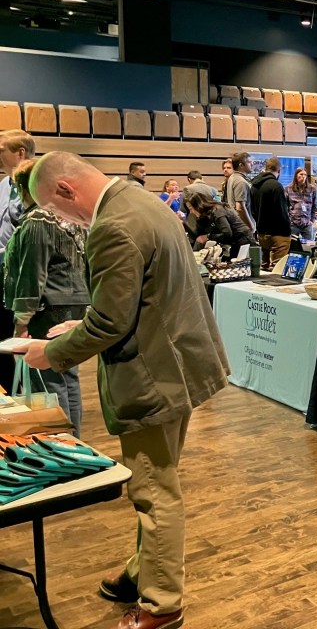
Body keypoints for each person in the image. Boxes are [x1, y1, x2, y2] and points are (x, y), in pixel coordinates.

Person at [21, 151, 229, 629]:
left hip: (156, 376)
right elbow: (140, 297)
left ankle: (162, 604)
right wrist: (84, 322)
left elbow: (112, 320)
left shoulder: (112, 226)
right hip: (180, 364)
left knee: (154, 491)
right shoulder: (140, 199)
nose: (61, 218)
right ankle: (143, 571)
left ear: (67, 189)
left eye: (55, 208)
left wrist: (49, 354)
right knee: (158, 480)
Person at [4, 159, 89, 437]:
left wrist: (21, 320)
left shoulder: (38, 219)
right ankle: (74, 441)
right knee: (67, 376)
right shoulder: (69, 218)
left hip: (49, 307)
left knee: (48, 379)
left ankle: (63, 444)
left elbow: (32, 273)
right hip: (72, 304)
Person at [0, 129, 36, 394]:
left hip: (25, 275)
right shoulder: (3, 185)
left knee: (29, 348)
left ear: (20, 153)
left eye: (2, 150)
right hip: (1, 276)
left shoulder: (37, 183)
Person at [187, 192, 257, 258]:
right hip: (235, 242)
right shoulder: (206, 215)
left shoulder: (217, 211)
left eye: (191, 209)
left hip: (243, 241)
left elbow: (227, 233)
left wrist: (208, 236)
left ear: (199, 206)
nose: (191, 212)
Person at [250, 156, 291, 268]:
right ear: (279, 170)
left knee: (263, 267)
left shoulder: (254, 185)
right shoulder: (276, 186)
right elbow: (282, 210)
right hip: (278, 232)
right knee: (278, 267)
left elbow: (252, 209)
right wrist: (287, 228)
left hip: (261, 232)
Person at [225, 152, 255, 232]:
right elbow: (240, 207)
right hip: (243, 226)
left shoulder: (232, 178)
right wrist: (251, 226)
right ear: (241, 165)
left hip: (237, 224)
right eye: (249, 162)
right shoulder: (241, 181)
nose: (252, 164)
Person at [285, 167, 317, 239]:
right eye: (301, 174)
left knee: (308, 247)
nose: (303, 176)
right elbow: (285, 207)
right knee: (292, 246)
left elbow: (314, 206)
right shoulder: (288, 189)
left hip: (307, 223)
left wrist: (312, 220)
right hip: (293, 223)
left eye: (305, 175)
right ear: (296, 175)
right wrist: (288, 221)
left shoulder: (312, 189)